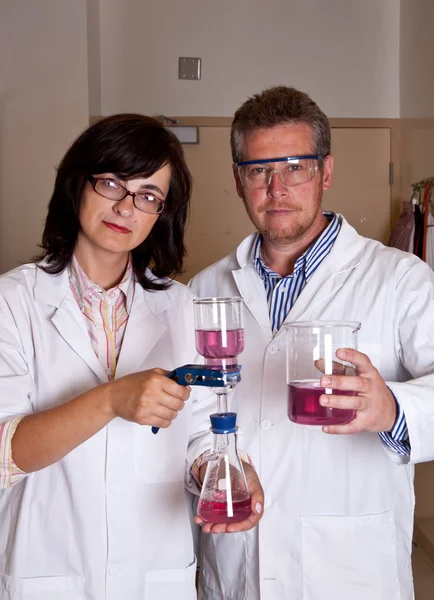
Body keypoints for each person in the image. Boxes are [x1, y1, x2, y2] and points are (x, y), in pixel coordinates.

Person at [0, 114, 263, 600]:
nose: (126, 207)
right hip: (49, 567)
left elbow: (202, 433)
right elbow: (5, 453)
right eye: (111, 184)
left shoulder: (181, 306)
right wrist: (110, 401)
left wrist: (222, 471)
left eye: (147, 195)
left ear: (161, 212)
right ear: (77, 184)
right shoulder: (13, 301)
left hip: (154, 569)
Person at [190, 86, 434, 600]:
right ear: (239, 181)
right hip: (239, 564)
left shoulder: (400, 278)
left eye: (295, 166)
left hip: (349, 568)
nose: (277, 188)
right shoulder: (206, 289)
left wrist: (391, 407)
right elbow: (185, 417)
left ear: (326, 172)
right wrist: (204, 468)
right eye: (259, 171)